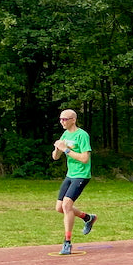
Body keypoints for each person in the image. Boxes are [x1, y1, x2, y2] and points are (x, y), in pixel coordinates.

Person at [52, 109, 97, 254]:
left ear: (73, 120)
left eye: (65, 119)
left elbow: (85, 159)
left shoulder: (82, 135)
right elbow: (55, 157)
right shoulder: (65, 134)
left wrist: (66, 150)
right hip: (70, 175)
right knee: (59, 208)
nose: (62, 122)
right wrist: (58, 148)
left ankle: (67, 242)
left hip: (82, 175)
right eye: (61, 119)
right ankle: (88, 218)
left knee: (67, 205)